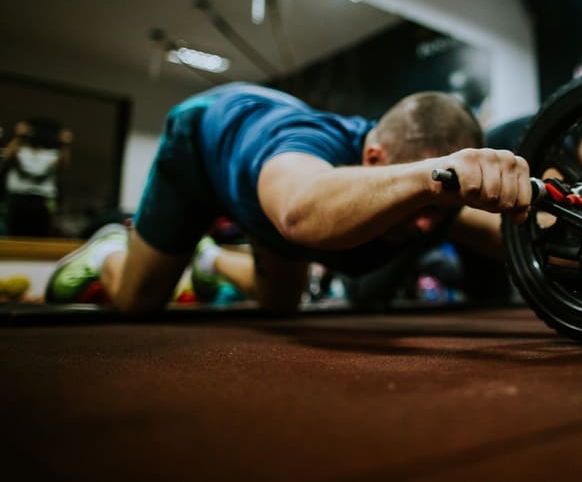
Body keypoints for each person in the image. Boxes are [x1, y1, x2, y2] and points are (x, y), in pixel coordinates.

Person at [45, 83, 532, 314]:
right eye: (425, 204)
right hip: (202, 149)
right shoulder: (306, 144)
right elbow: (299, 213)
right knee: (137, 305)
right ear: (374, 156)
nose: (429, 227)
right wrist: (436, 179)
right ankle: (110, 251)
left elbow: (509, 241)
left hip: (260, 197)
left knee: (281, 308)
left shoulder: (430, 206)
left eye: (439, 213)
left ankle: (210, 260)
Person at [1, 117, 73, 237]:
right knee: (13, 235)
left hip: (41, 201)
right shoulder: (20, 150)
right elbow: (7, 155)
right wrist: (19, 136)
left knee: (39, 235)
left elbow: (63, 163)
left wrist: (64, 143)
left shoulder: (52, 154)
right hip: (17, 199)